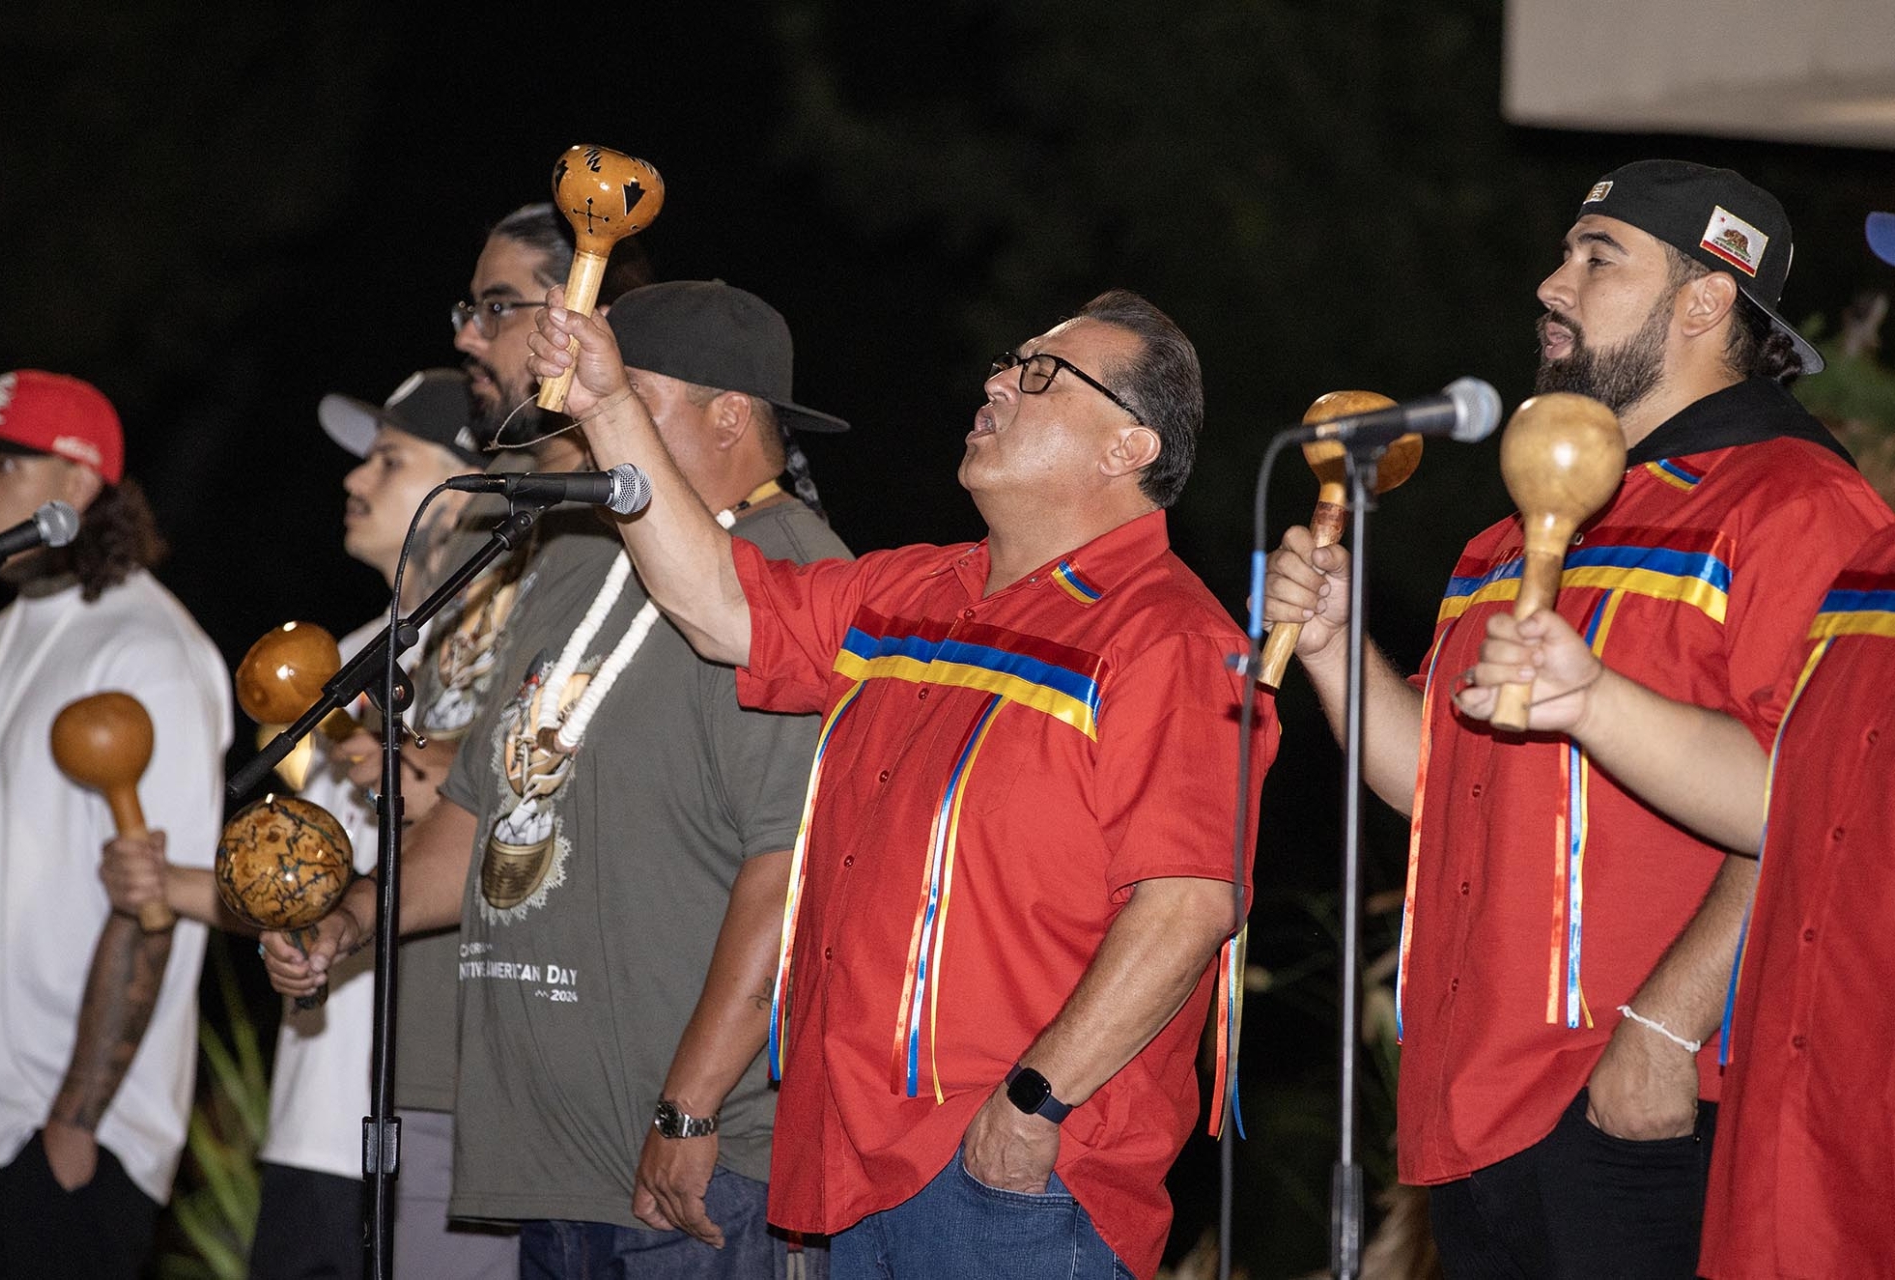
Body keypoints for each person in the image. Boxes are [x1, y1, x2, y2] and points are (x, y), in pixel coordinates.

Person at [528, 282, 1276, 1280]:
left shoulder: (1170, 636)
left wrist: (1032, 1102)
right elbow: (718, 607)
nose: (999, 380)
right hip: (847, 1163)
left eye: (1041, 373)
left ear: (1127, 447)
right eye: (1008, 359)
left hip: (1008, 1179)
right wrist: (606, 406)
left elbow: (1188, 902)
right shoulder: (916, 592)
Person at [1263, 159, 1893, 1278]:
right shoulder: (1517, 533)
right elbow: (1435, 781)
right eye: (1563, 252)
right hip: (1478, 1099)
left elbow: (1813, 801)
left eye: (1599, 258)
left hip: (1638, 1095)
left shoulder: (1797, 501)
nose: (1553, 283)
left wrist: (1661, 1035)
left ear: (1706, 299)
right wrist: (1334, 647)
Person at [267, 279, 851, 1279]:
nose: (581, 411)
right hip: (550, 1162)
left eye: (622, 392)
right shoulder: (572, 559)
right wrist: (351, 917)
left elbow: (790, 873)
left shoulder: (791, 576)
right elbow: (482, 814)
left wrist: (689, 1103)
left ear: (728, 417)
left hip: (692, 1172)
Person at [101, 368, 520, 1279]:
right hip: (313, 1107)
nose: (354, 481)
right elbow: (307, 877)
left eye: (389, 459)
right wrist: (172, 886)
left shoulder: (514, 645)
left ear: (470, 492)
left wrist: (380, 755)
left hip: (419, 1121)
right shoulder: (356, 650)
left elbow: (484, 828)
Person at [0, 370, 231, 1278]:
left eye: (3, 465)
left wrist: (76, 1125)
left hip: (56, 1138)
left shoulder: (147, 650)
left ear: (77, 486)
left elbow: (152, 894)